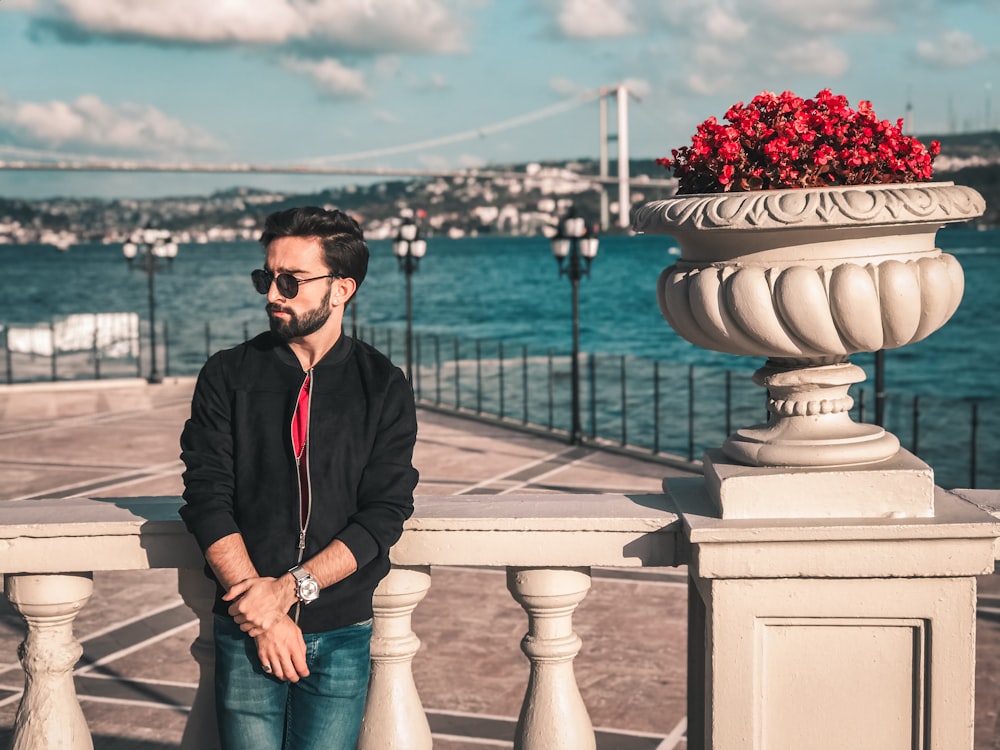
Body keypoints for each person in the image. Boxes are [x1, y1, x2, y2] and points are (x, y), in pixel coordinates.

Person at [179, 205, 418, 750]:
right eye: (267, 277)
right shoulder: (227, 374)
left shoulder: (382, 384)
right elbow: (206, 496)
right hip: (247, 626)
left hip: (341, 629)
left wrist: (287, 591)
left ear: (342, 289)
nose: (273, 294)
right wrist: (261, 612)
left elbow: (384, 512)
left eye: (291, 280)